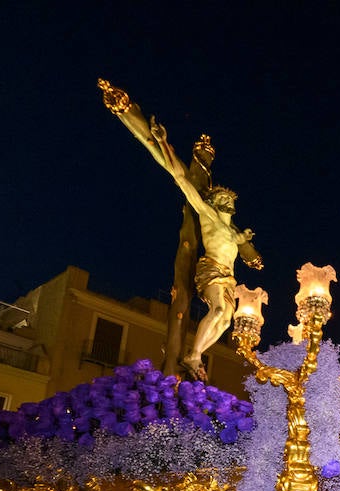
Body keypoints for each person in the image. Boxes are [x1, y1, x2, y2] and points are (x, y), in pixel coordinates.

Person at [99, 80, 263, 378]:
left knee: (226, 321)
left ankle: (197, 354)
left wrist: (247, 245)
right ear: (214, 200)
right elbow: (181, 179)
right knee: (215, 312)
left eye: (228, 199)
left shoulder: (235, 233)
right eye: (220, 197)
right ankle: (195, 355)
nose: (225, 200)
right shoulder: (208, 216)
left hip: (229, 277)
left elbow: (248, 252)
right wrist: (163, 142)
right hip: (211, 270)